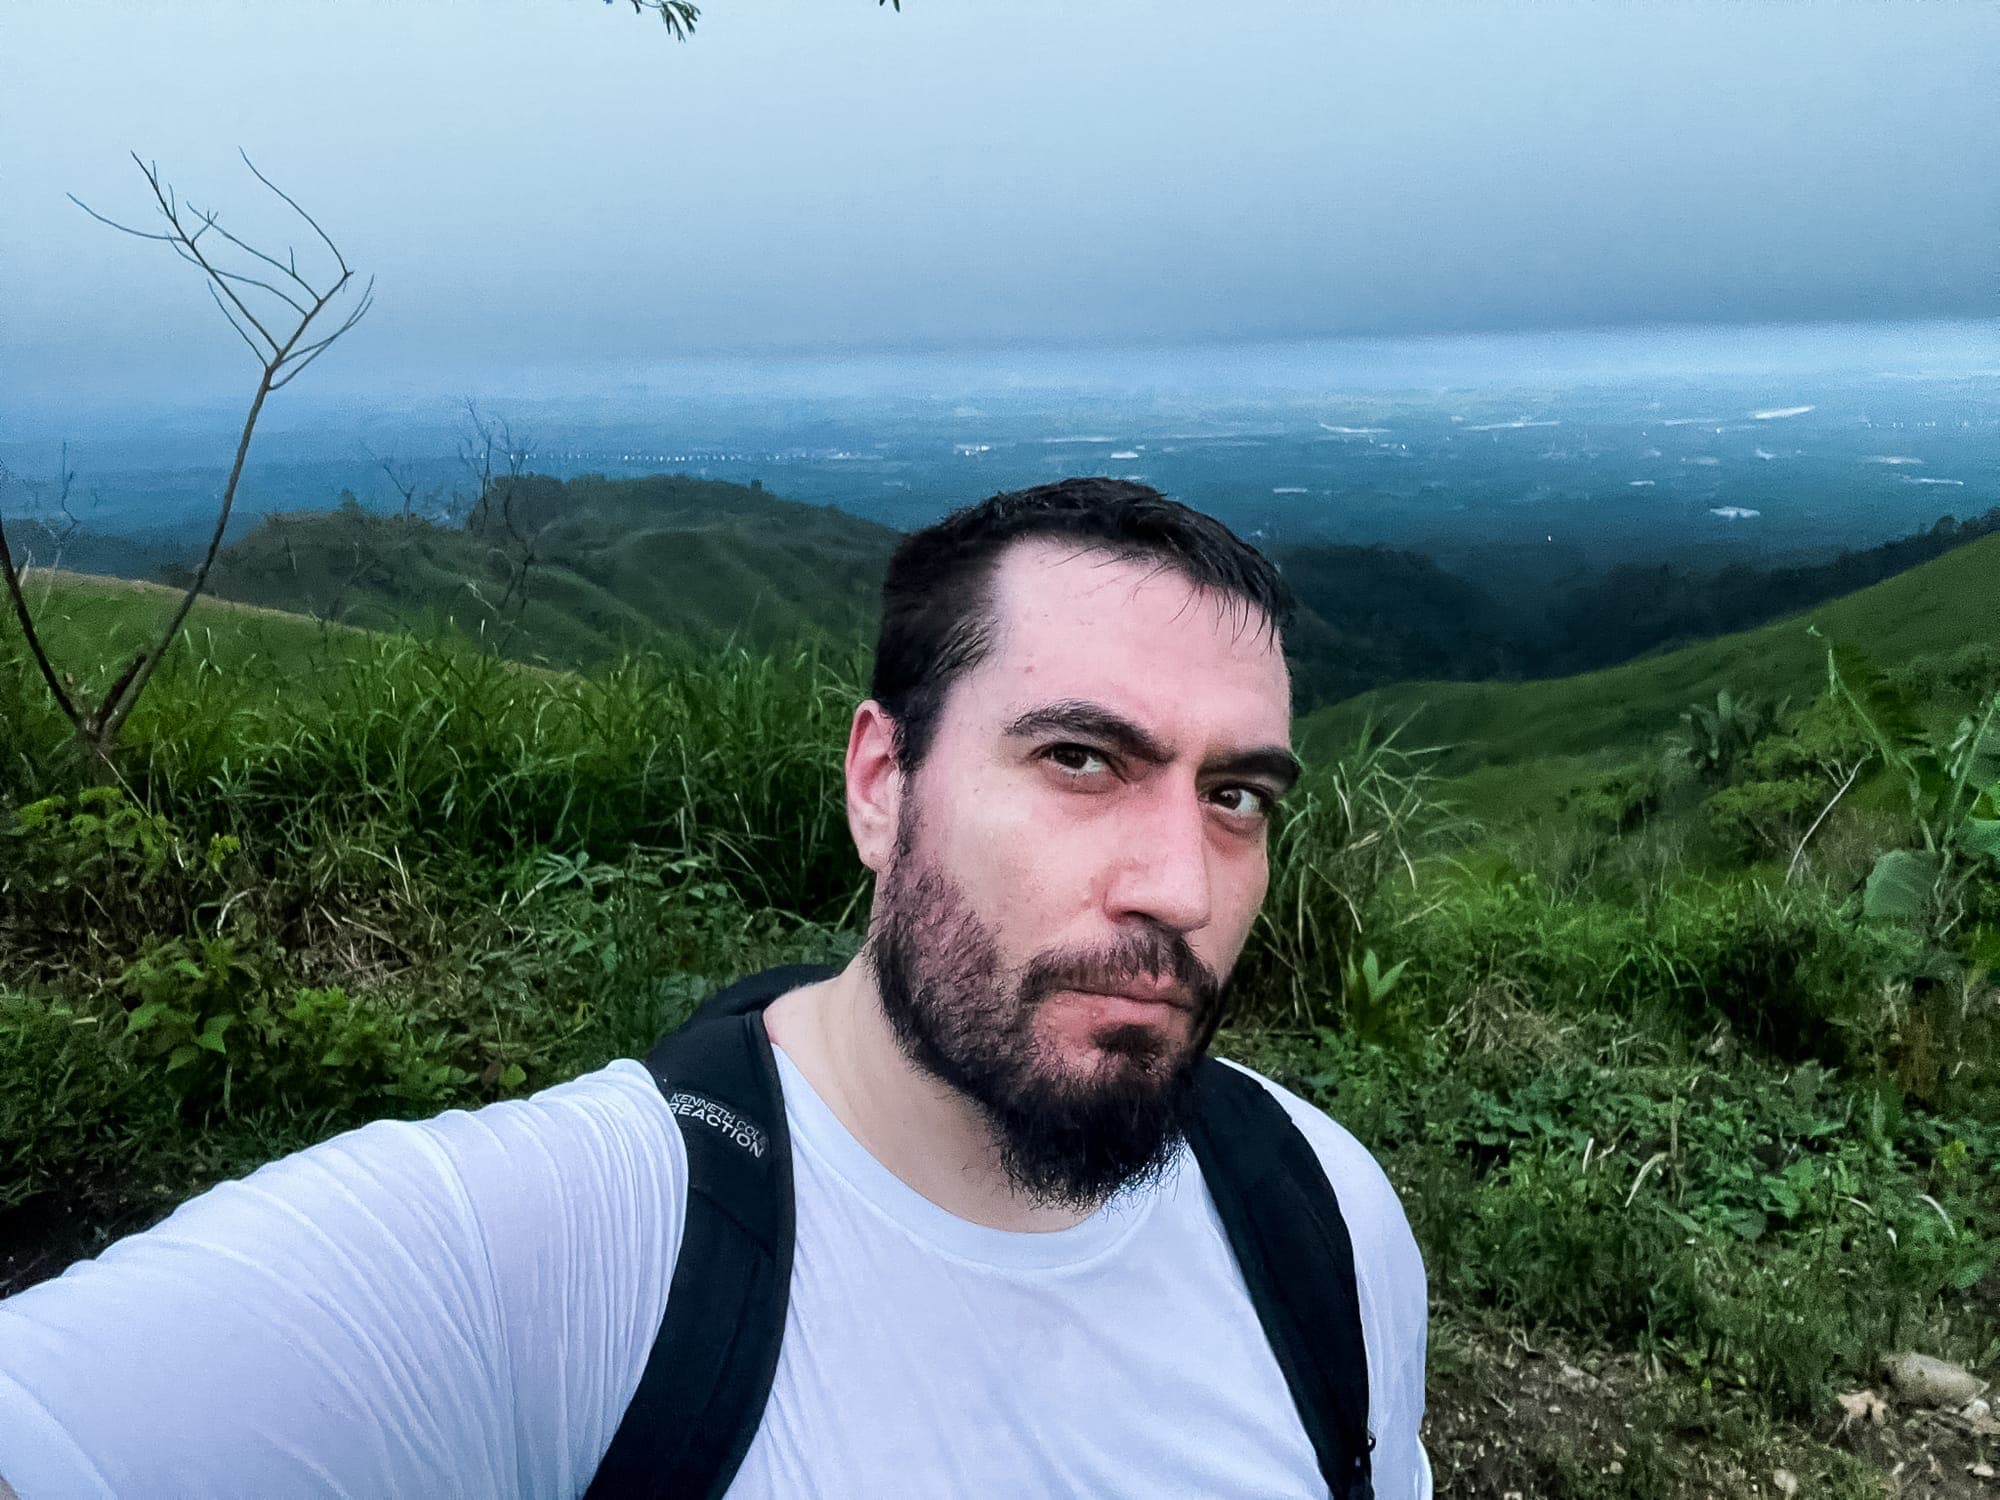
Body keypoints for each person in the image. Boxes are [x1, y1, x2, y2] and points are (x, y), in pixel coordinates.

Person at [0, 477, 1430, 1498]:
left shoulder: (1320, 1214)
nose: (1180, 884)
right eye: (1078, 760)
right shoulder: (578, 1252)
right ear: (883, 784)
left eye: (1238, 795)